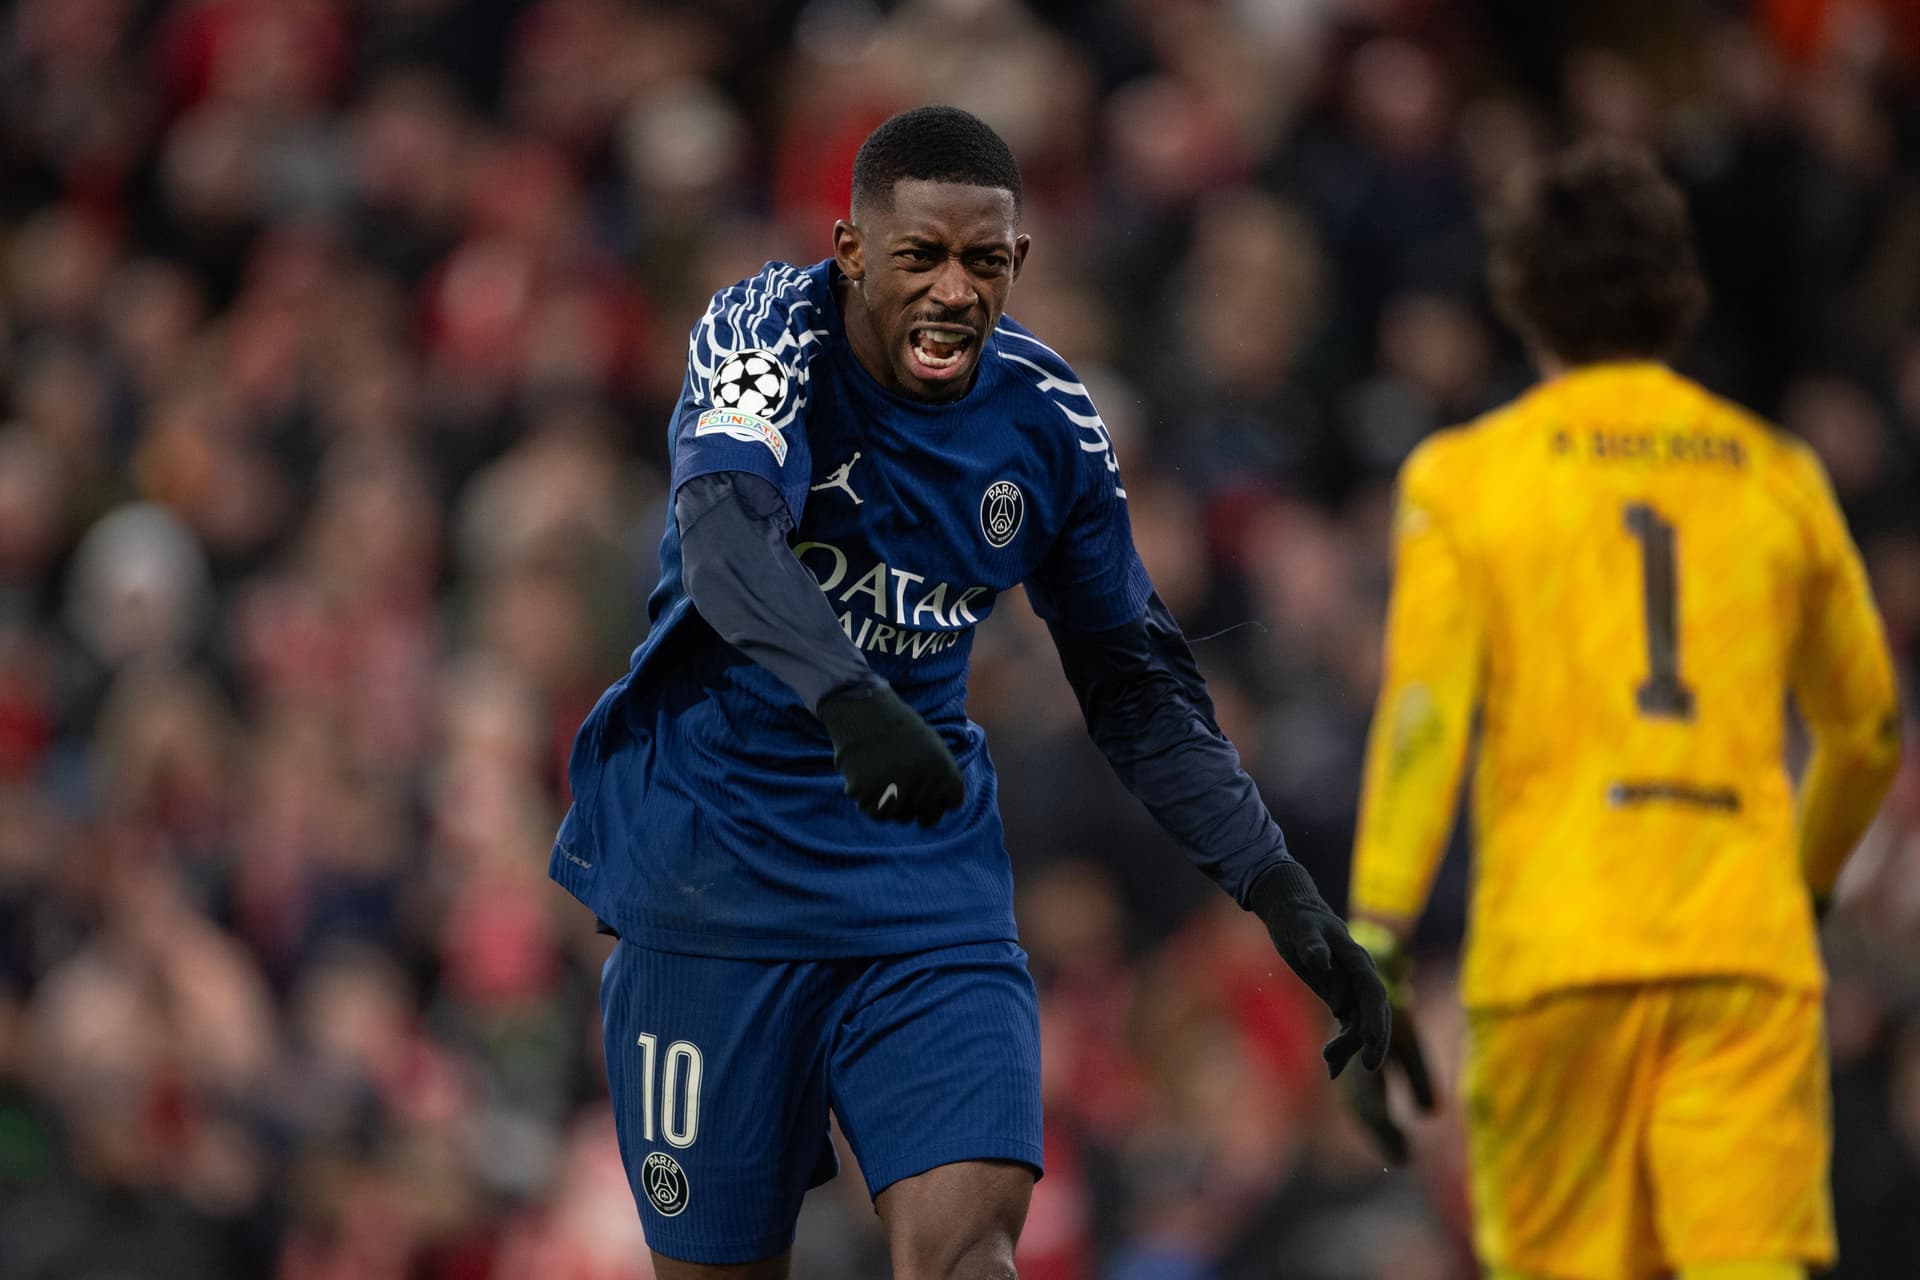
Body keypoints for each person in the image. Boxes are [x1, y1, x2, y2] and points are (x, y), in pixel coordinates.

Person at [548, 105, 1390, 1279]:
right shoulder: (758, 333)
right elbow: (725, 538)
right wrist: (850, 699)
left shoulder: (1049, 422)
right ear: (850, 249)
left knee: (971, 1252)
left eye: (984, 262)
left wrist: (1279, 883)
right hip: (714, 870)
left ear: (1020, 264)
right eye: (921, 256)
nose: (954, 290)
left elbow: (1137, 684)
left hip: (920, 884)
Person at [1342, 144, 1904, 1280]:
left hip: (1554, 951)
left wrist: (1377, 938)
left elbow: (1422, 719)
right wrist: (1802, 880)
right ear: (1678, 293)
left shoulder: (1467, 477)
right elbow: (1869, 731)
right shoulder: (1776, 473)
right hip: (1740, 947)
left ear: (1521, 297)